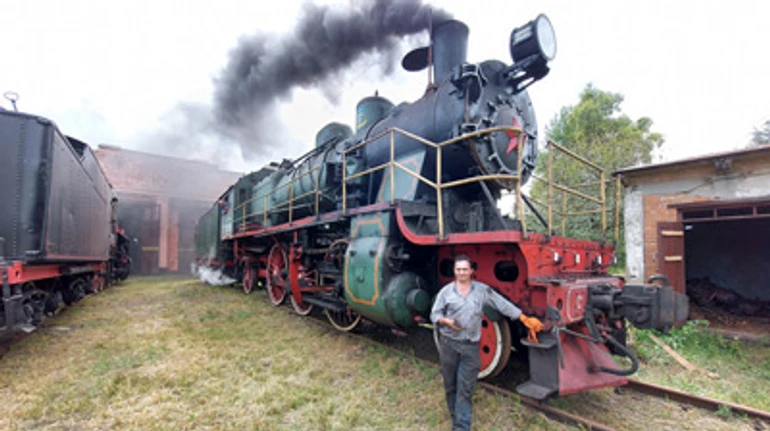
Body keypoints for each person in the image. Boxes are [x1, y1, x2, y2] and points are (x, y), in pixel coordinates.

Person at [430, 255, 543, 431]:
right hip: (449, 345)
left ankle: (461, 427)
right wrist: (446, 321)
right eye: (458, 269)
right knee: (450, 386)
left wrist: (523, 318)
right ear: (454, 271)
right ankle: (455, 417)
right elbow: (434, 315)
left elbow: (502, 304)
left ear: (471, 271)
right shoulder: (446, 292)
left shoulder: (482, 291)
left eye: (465, 269)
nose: (461, 273)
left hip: (470, 348)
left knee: (465, 389)